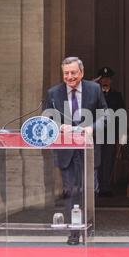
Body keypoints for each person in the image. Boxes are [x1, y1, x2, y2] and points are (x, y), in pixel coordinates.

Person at [44, 57, 107, 245]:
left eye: (73, 73)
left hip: (87, 148)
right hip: (66, 150)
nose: (69, 77)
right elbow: (47, 118)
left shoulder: (94, 89)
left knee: (90, 189)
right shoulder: (53, 93)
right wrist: (59, 126)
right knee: (71, 190)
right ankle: (74, 232)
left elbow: (105, 113)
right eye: (66, 73)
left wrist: (92, 128)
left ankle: (87, 225)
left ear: (81, 73)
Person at [94, 66, 125, 196]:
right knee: (96, 161)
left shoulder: (117, 96)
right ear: (99, 81)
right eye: (103, 79)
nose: (105, 81)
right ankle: (95, 188)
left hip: (111, 134)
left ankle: (105, 187)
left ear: (111, 80)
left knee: (108, 160)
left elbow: (121, 116)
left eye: (107, 78)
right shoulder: (93, 95)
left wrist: (121, 135)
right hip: (96, 133)